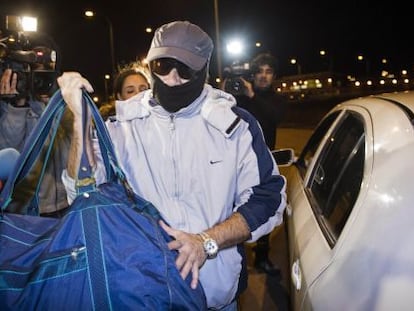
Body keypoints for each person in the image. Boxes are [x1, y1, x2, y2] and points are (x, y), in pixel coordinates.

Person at [58, 20, 287, 310]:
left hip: (212, 296)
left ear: (203, 69)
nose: (172, 78)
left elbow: (269, 197)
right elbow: (81, 193)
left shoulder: (235, 126)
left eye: (185, 68)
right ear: (150, 64)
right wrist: (79, 119)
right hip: (140, 293)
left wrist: (207, 241)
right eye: (163, 66)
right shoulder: (120, 127)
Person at [0, 33, 72, 216]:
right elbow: (11, 151)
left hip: (67, 202)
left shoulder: (65, 102)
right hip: (27, 209)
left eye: (47, 70)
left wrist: (59, 102)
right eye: (35, 71)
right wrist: (17, 105)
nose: (41, 78)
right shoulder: (12, 106)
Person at [230, 53, 288, 276]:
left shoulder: (276, 100)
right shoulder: (239, 97)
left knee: (263, 208)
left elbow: (274, 117)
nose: (264, 76)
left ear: (274, 76)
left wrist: (252, 95)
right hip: (236, 162)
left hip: (264, 163)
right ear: (252, 75)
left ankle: (262, 257)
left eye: (269, 71)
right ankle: (234, 254)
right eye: (260, 71)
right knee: (233, 211)